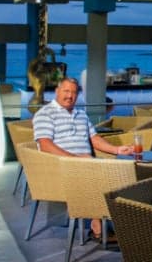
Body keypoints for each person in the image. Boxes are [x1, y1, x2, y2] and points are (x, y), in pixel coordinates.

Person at [33, 77, 133, 240]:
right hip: (61, 167)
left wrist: (116, 149)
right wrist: (75, 159)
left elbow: (94, 139)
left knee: (121, 171)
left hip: (86, 164)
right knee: (102, 174)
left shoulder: (81, 114)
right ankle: (98, 224)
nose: (69, 96)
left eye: (73, 92)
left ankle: (119, 221)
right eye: (66, 91)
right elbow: (45, 145)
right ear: (57, 91)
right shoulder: (45, 114)